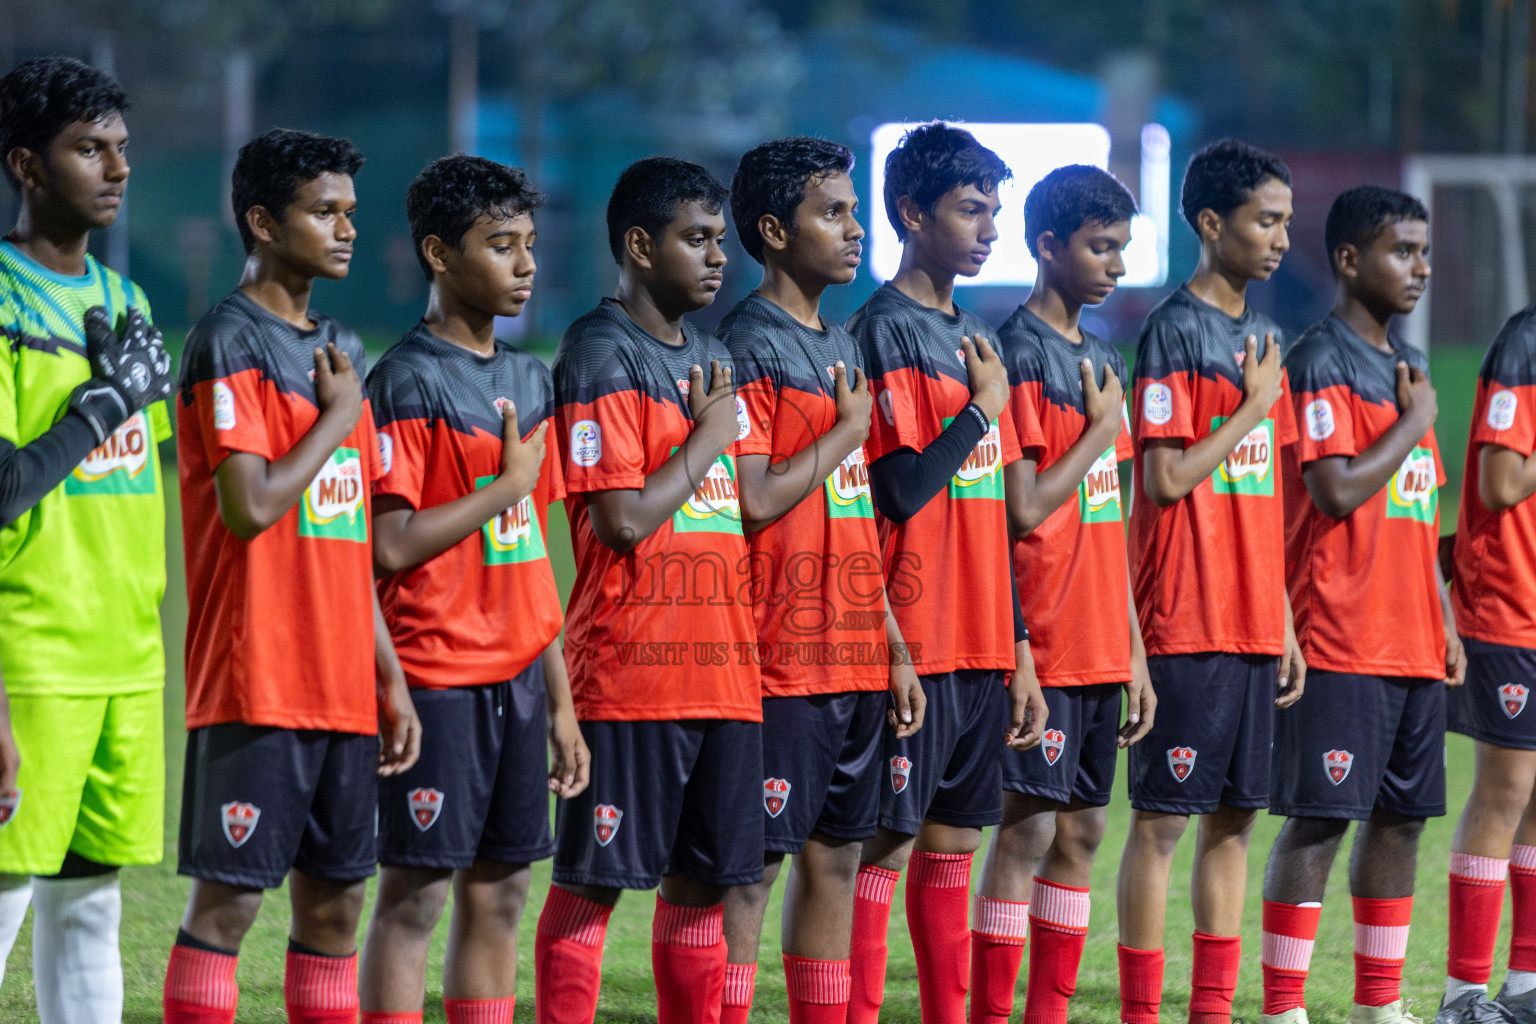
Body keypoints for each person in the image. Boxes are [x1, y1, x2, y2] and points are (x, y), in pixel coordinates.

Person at [164, 128, 420, 1024]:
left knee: (336, 909)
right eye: (325, 212)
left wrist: (386, 674)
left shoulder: (339, 343)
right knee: (229, 906)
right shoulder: (229, 340)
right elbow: (251, 505)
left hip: (342, 684)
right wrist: (337, 415)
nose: (347, 229)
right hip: (258, 679)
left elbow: (348, 532)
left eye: (351, 212)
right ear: (263, 222)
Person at [357, 154, 589, 1024]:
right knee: (415, 898)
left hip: (521, 682)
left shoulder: (531, 379)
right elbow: (386, 545)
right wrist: (500, 486)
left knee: (499, 896)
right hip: (437, 679)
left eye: (530, 244)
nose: (525, 264)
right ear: (438, 255)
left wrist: (559, 699)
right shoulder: (407, 378)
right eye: (501, 245)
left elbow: (527, 551)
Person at [533, 156, 761, 1024]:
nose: (716, 258)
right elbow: (620, 521)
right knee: (593, 888)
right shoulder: (600, 352)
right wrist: (707, 438)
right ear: (638, 244)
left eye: (717, 239)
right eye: (694, 239)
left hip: (724, 673)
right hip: (633, 673)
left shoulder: (708, 351)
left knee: (703, 890)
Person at [715, 135, 926, 1024]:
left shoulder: (839, 339)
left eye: (851, 211)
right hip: (777, 658)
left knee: (838, 858)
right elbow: (756, 499)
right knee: (753, 871)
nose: (853, 231)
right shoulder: (743, 344)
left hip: (852, 653)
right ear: (773, 230)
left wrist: (893, 644)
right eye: (831, 213)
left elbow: (853, 512)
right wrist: (846, 430)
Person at [843, 121, 1047, 1024]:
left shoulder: (974, 337)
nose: (989, 227)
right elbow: (899, 490)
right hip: (913, 639)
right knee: (879, 849)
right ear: (910, 212)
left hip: (980, 642)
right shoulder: (881, 333)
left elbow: (993, 518)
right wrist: (982, 412)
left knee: (954, 849)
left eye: (995, 209)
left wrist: (1019, 646)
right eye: (970, 209)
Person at [0, 54, 176, 1024]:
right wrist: (104, 400)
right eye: (86, 149)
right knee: (5, 899)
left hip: (126, 661)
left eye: (120, 149)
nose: (114, 169)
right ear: (27, 165)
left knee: (90, 905)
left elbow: (128, 489)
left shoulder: (131, 304)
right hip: (32, 660)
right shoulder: (3, 298)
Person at [1117, 138, 1305, 1024]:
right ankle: (1147, 1012)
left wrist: (1287, 622)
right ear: (1209, 222)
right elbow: (1162, 480)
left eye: (1286, 223)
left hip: (1253, 621)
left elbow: (1265, 494)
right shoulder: (1173, 331)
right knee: (1162, 825)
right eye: (1265, 220)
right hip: (1185, 617)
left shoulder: (1265, 337)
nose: (1279, 239)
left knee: (1235, 823)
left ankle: (1214, 1011)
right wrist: (1256, 408)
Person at [1264, 184, 1458, 1024]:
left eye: (1422, 251)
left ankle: (1381, 1004)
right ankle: (1283, 1007)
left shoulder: (1403, 369)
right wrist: (1414, 423)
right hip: (1338, 635)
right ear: (1348, 259)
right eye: (1401, 251)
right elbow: (1336, 490)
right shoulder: (1321, 360)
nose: (1419, 268)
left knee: (1403, 823)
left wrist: (1445, 622)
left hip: (1413, 638)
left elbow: (1418, 513)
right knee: (1318, 821)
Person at [971, 163, 1156, 1024]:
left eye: (1121, 246)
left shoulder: (1101, 358)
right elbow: (1023, 508)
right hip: (1039, 638)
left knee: (1080, 833)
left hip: (1098, 640)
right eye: (1098, 245)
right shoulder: (1018, 353)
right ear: (1047, 246)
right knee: (1026, 831)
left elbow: (1107, 517)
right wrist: (1103, 433)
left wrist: (1136, 652)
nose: (1114, 263)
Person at [1439, 281, 1536, 1023]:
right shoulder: (1523, 344)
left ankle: (1525, 984)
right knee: (1504, 791)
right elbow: (1500, 483)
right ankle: (1462, 993)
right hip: (1510, 602)